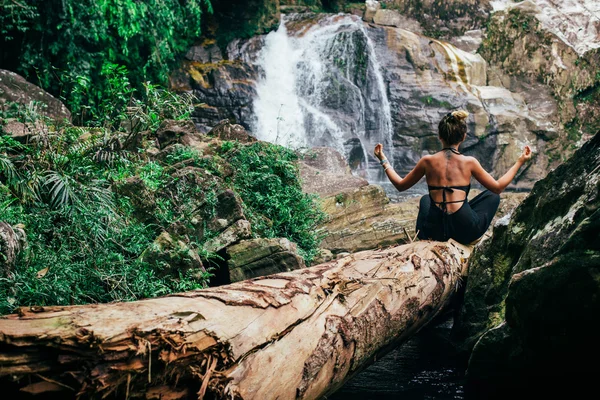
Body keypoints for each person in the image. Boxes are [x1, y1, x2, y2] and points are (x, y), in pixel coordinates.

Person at [374, 110, 533, 245]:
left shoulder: (427, 161)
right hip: (464, 231)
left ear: (439, 136)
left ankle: (424, 238)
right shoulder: (469, 162)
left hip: (434, 231)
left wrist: (383, 159)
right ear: (463, 137)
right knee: (492, 196)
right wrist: (520, 161)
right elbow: (498, 187)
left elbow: (400, 185)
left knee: (426, 199)